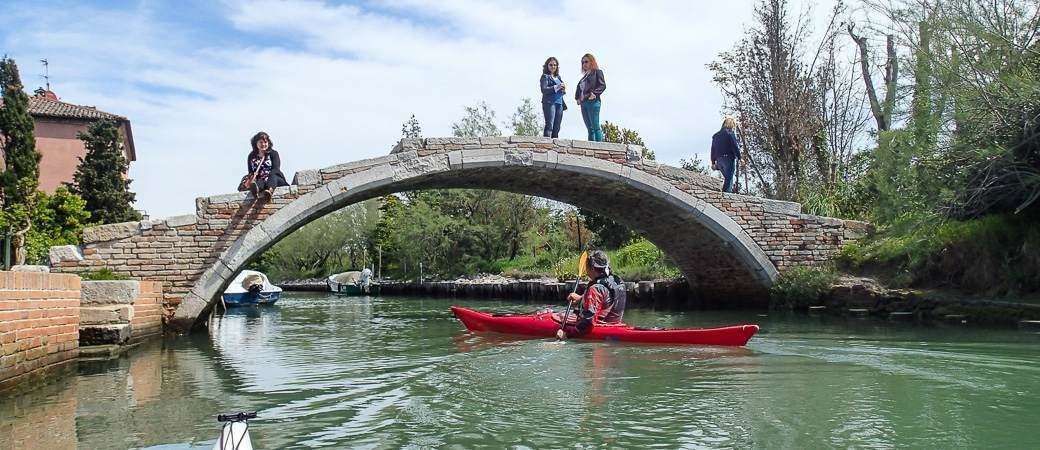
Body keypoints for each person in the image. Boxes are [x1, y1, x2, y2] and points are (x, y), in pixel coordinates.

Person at [556, 250, 627, 340]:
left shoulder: (595, 289)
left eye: (586, 268)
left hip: (599, 330)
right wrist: (581, 299)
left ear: (592, 268)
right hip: (615, 326)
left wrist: (567, 334)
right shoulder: (618, 281)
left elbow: (588, 323)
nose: (586, 271)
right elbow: (606, 300)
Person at [246, 131, 289, 200]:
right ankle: (256, 191)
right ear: (256, 143)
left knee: (273, 176)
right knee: (259, 182)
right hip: (261, 180)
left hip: (275, 179)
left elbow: (276, 169)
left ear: (268, 143)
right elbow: (251, 172)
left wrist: (267, 178)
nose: (263, 144)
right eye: (261, 142)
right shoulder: (251, 156)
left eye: (265, 142)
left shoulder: (273, 153)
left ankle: (269, 191)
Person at [575, 53, 606, 142]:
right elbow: (579, 89)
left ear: (591, 62)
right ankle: (591, 147)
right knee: (589, 128)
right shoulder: (584, 77)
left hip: (593, 102)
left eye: (586, 62)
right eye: (582, 62)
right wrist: (577, 98)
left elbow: (602, 85)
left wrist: (595, 93)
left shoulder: (597, 72)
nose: (584, 64)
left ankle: (599, 147)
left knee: (595, 126)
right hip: (583, 103)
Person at [710, 117, 742, 193]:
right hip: (728, 158)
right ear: (732, 124)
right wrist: (740, 158)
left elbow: (713, 149)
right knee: (729, 178)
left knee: (728, 178)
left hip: (719, 160)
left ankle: (727, 193)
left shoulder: (716, 136)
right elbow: (734, 146)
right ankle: (725, 195)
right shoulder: (730, 133)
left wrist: (713, 162)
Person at [540, 57, 567, 138]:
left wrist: (562, 89)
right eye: (551, 65)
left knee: (557, 127)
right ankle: (546, 144)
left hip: (559, 104)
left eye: (555, 65)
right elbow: (544, 90)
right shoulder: (545, 76)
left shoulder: (558, 77)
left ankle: (555, 146)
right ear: (547, 66)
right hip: (550, 103)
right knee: (549, 125)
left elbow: (560, 90)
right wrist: (556, 87)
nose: (553, 66)